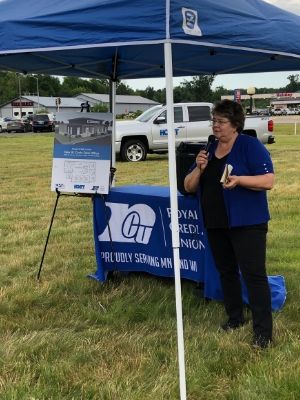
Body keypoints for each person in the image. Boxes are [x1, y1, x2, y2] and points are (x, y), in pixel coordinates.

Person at [184, 99, 274, 348]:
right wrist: (199, 169)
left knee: (254, 275)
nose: (216, 126)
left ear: (235, 125)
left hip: (247, 222)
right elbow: (188, 187)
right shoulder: (209, 148)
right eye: (214, 121)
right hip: (215, 221)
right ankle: (235, 318)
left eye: (221, 122)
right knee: (226, 272)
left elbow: (268, 181)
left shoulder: (249, 145)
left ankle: (263, 332)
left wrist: (240, 180)